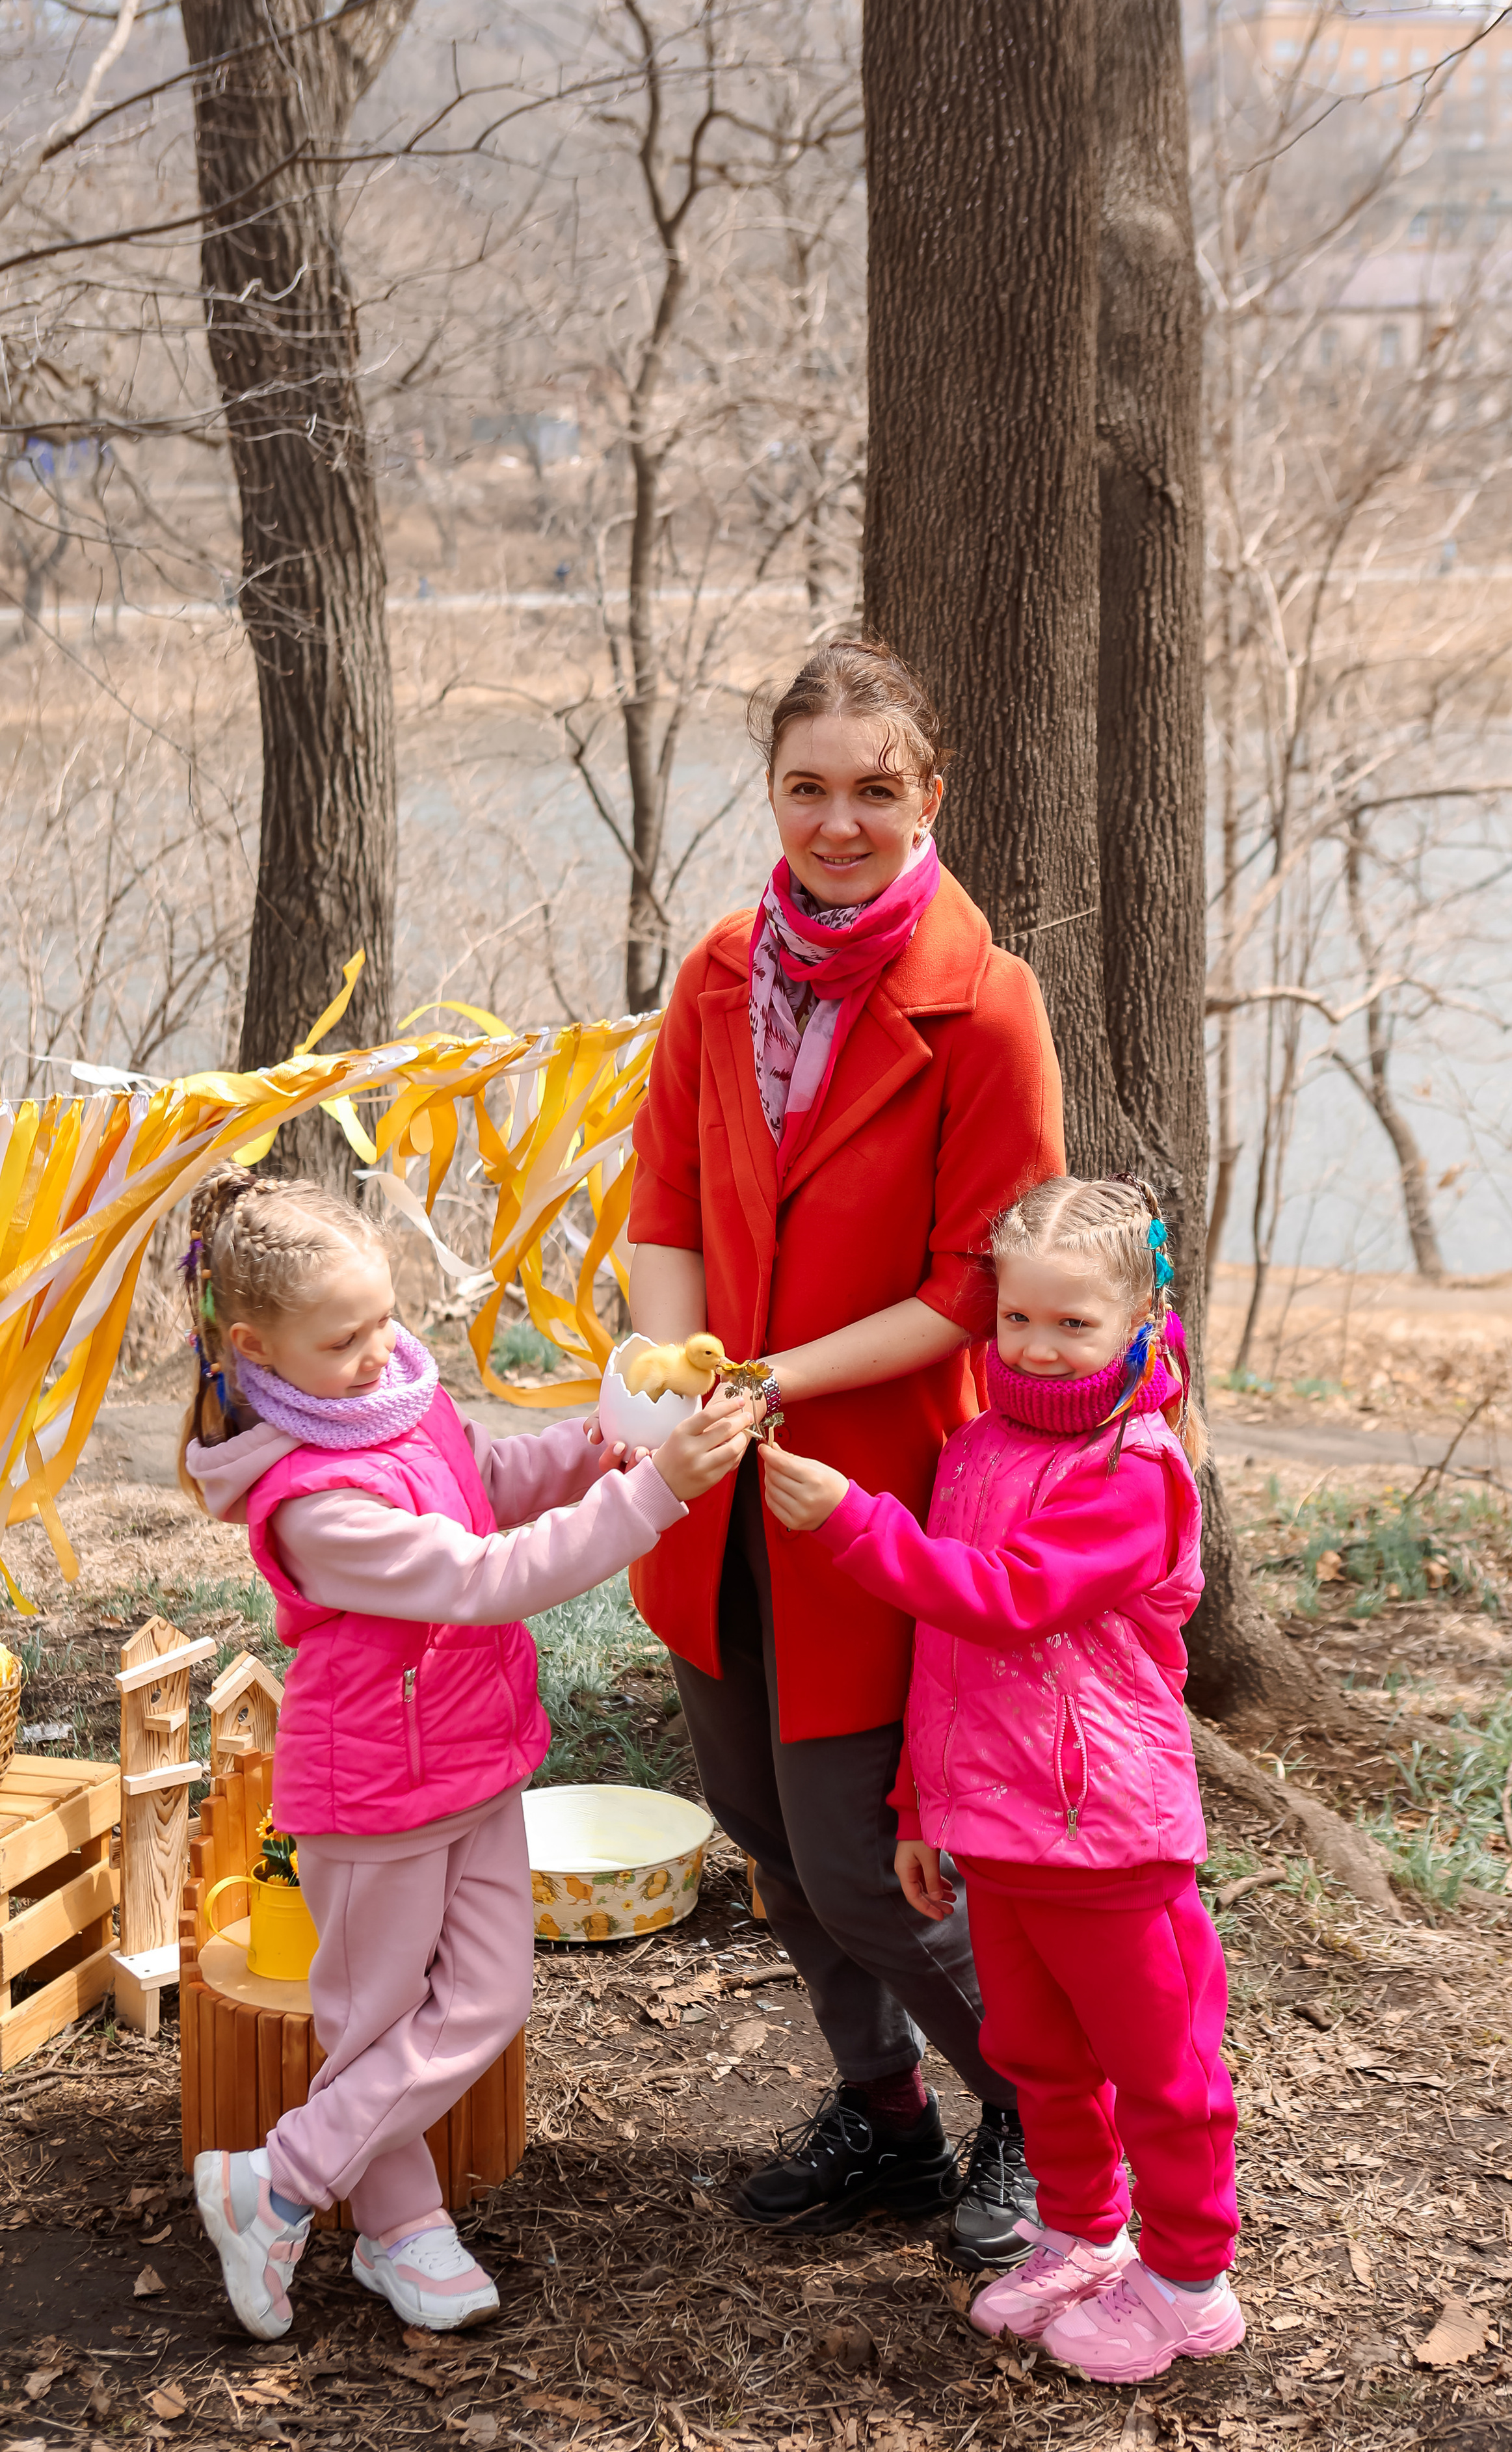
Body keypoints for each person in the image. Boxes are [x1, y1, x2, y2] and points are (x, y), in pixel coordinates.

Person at [626, 639, 1065, 2263]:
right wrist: (674, 1372)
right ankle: (881, 2117)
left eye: (874, 790)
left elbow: (978, 1285)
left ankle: (1037, 2110)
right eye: (807, 789)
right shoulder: (718, 973)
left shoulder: (987, 1004)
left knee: (863, 1860)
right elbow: (662, 1208)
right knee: (756, 1823)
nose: (838, 822)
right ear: (772, 796)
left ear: (928, 796)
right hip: (709, 1474)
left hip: (874, 1487)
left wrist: (772, 1377)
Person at [179, 1166, 750, 2341]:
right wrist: (653, 1505)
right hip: (373, 1788)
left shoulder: (392, 1399)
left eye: (387, 1317)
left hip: (474, 1755)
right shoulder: (308, 1501)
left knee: (483, 2000)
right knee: (374, 2024)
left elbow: (481, 1486)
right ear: (254, 1348)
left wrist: (606, 1446)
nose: (380, 1349)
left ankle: (276, 2181)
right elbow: (480, 1577)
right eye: (344, 1338)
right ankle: (386, 2222)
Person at [756, 1175, 1245, 2386]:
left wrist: (853, 1525)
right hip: (1002, 1828)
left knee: (1163, 2073)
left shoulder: (1137, 1470)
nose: (1037, 1342)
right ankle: (1083, 2237)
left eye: (1073, 1321)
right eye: (1018, 1317)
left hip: (1111, 1832)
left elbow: (1012, 1601)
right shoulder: (977, 1445)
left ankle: (1190, 2280)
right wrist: (927, 1806)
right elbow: (946, 1655)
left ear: (1141, 1316)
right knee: (1039, 2055)